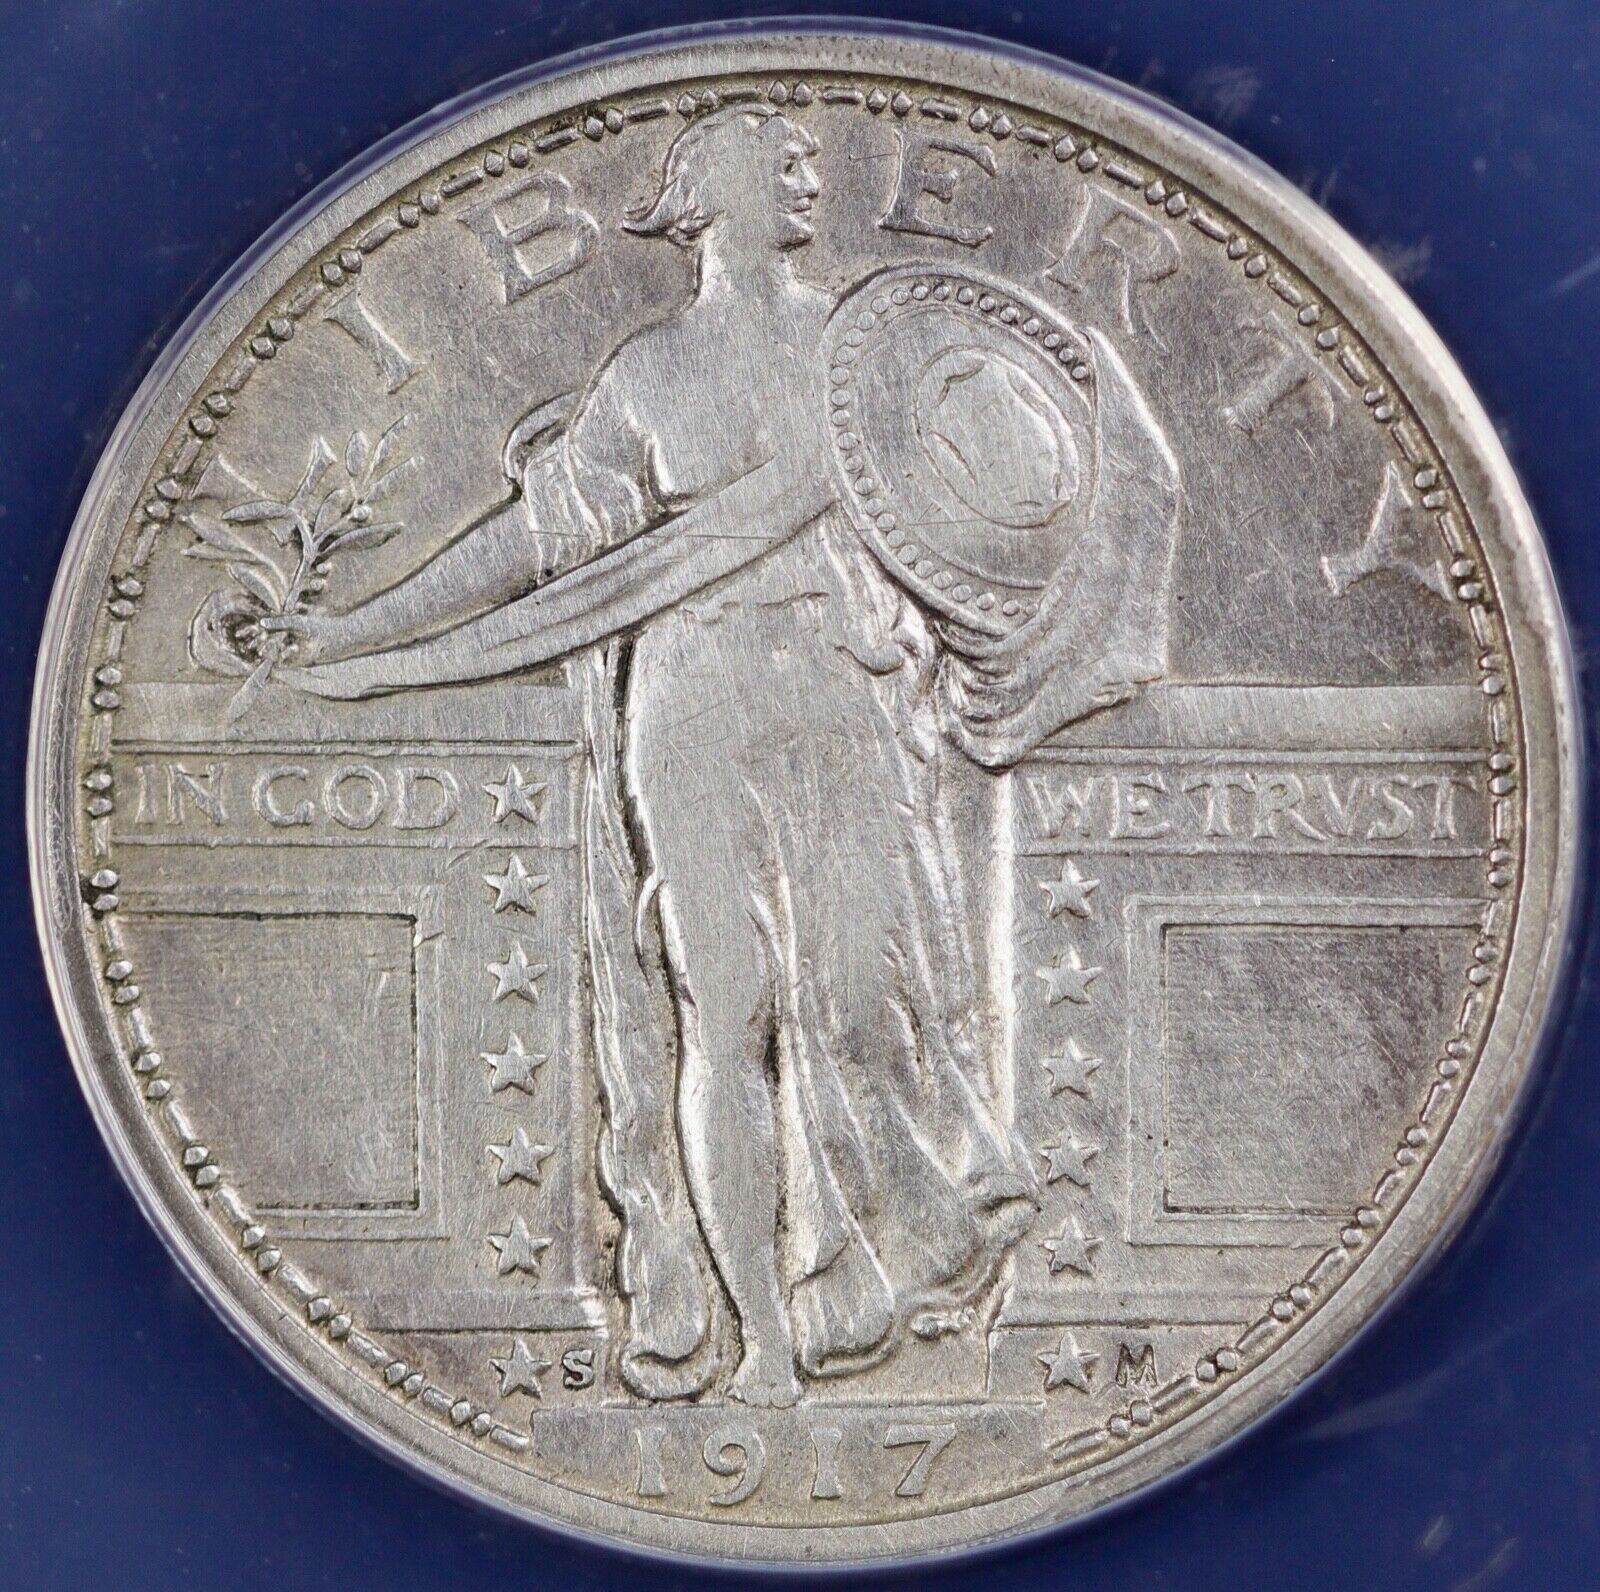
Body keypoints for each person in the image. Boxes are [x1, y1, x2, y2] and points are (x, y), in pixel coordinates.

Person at [270, 103, 1179, 1406]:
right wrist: (357, 635)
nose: (807, 167)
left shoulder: (874, 347)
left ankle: (873, 1280)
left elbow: (996, 493)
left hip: (847, 697)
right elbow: (532, 550)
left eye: (805, 158)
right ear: (701, 194)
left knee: (862, 1008)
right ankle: (760, 1341)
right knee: (723, 1008)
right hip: (691, 700)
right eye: (776, 156)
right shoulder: (647, 374)